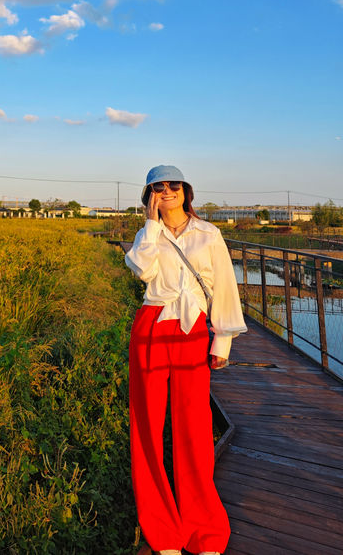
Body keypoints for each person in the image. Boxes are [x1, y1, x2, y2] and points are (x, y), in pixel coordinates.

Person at [126, 165, 246, 555]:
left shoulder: (208, 234)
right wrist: (151, 224)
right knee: (146, 425)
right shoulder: (148, 235)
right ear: (149, 195)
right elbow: (142, 270)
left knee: (193, 427)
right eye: (157, 188)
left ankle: (203, 529)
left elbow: (225, 287)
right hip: (151, 326)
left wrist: (222, 342)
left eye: (173, 185)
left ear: (186, 190)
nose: (167, 192)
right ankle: (162, 529)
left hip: (193, 330)